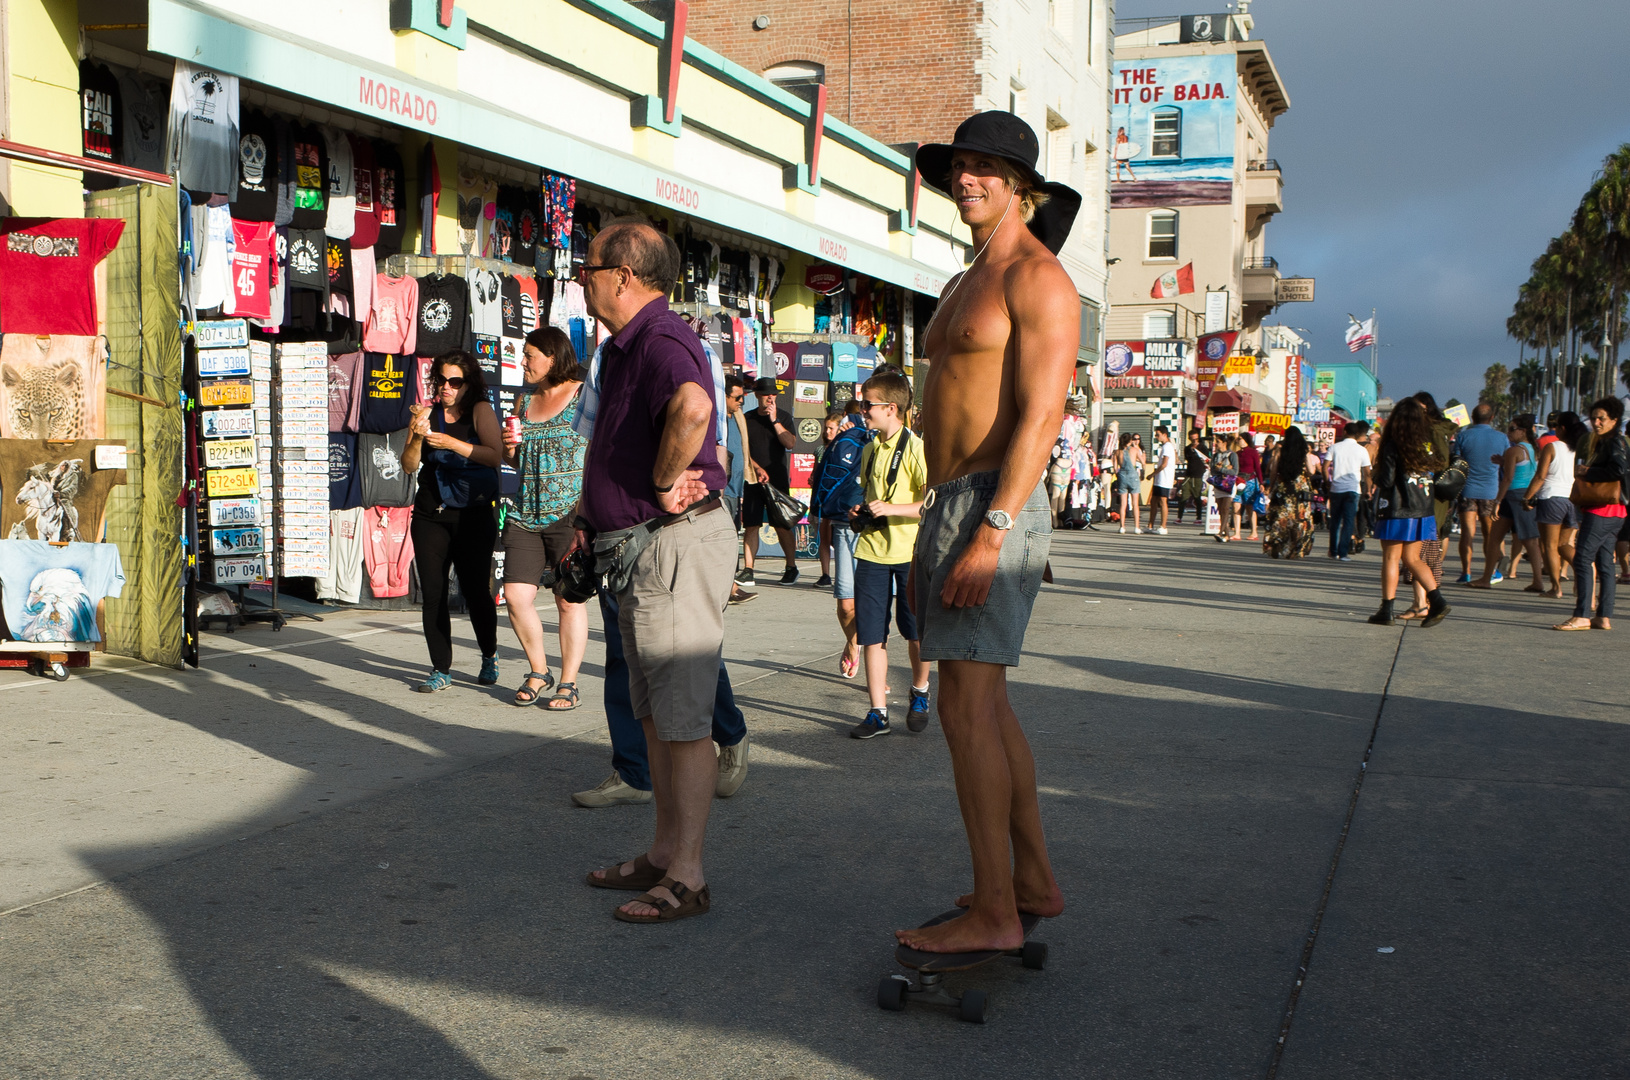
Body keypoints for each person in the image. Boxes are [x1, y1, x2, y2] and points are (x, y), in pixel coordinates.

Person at [904, 110, 1081, 953]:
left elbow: (1042, 417)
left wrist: (993, 531)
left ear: (1022, 186)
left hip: (991, 504)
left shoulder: (1038, 277)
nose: (966, 178)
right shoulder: (965, 276)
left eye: (985, 167)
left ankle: (995, 911)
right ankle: (1033, 882)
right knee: (989, 704)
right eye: (958, 165)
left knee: (965, 708)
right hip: (950, 502)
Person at [573, 219, 734, 924]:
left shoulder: (663, 338)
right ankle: (666, 852)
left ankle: (690, 874)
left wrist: (668, 476)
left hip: (674, 544)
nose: (581, 277)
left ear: (623, 275)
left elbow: (695, 407)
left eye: (589, 267)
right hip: (643, 548)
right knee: (656, 714)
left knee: (682, 716)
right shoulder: (627, 344)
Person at [401, 351, 502, 692]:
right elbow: (408, 465)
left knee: (475, 591)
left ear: (468, 383)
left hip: (473, 512)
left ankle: (489, 653)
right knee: (433, 592)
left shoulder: (480, 410)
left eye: (454, 381)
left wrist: (451, 443)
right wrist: (416, 437)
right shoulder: (426, 412)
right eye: (441, 380)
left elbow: (494, 455)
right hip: (431, 511)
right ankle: (440, 668)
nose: (445, 387)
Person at [500, 327, 589, 709]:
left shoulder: (584, 394)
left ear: (552, 358)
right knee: (516, 596)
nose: (523, 362)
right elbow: (516, 461)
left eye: (529, 355)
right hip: (524, 512)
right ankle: (539, 670)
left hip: (568, 513)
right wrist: (509, 450)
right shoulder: (523, 401)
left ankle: (569, 682)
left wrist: (587, 513)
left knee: (568, 600)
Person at [847, 370, 931, 737]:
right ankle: (877, 711)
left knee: (914, 633)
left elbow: (931, 504)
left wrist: (892, 509)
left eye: (868, 405)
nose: (863, 411)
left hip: (909, 552)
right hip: (871, 551)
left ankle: (920, 690)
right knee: (871, 635)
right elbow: (870, 496)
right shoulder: (869, 449)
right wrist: (861, 510)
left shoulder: (916, 448)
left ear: (891, 408)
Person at [1368, 397, 1450, 627]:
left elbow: (1386, 479)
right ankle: (1437, 600)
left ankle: (1386, 609)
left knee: (1391, 558)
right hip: (1423, 508)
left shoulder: (1394, 443)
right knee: (1413, 558)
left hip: (1398, 507)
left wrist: (1373, 474)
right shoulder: (1426, 443)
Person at [1553, 397, 1627, 631]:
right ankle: (1603, 616)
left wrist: (1589, 471)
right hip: (1616, 511)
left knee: (1583, 558)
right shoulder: (1614, 441)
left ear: (1614, 420)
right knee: (1605, 563)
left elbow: (1617, 469)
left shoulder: (1614, 442)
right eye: (1594, 418)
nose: (1596, 422)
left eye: (1601, 418)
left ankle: (1583, 614)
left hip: (1602, 509)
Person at [811, 399, 870, 678]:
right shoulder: (842, 438)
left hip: (877, 527)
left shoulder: (889, 438)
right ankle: (853, 642)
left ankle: (874, 670)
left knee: (871, 605)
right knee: (846, 604)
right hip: (843, 524)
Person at [1399, 392, 1458, 620]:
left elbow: (1440, 462)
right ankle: (1420, 602)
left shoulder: (1432, 431)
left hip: (1427, 498)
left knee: (1417, 553)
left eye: (1420, 409)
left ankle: (1422, 603)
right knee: (1418, 552)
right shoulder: (1434, 430)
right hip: (1428, 497)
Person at [1470, 414, 1540, 591]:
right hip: (1526, 494)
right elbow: (1522, 468)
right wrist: (1504, 462)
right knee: (1507, 537)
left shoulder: (1513, 450)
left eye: (1512, 429)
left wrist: (1497, 501)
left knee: (1518, 539)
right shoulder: (1532, 449)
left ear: (1522, 431)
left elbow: (1508, 478)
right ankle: (1488, 577)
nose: (1508, 433)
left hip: (1514, 495)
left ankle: (1489, 577)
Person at [739, 376, 798, 586]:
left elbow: (790, 443)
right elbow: (743, 450)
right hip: (753, 479)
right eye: (765, 395)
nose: (770, 398)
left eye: (773, 394)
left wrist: (775, 421)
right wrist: (756, 468)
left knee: (781, 525)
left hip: (777, 480)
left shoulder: (784, 417)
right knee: (752, 525)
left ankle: (791, 566)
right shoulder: (747, 419)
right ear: (757, 396)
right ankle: (748, 569)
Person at [1523, 411, 1580, 599]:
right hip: (1571, 499)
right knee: (1564, 544)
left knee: (1549, 546)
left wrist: (1528, 497)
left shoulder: (1552, 447)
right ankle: (1582, 572)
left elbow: (1540, 476)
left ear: (1561, 428)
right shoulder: (1578, 448)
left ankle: (1556, 587)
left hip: (1551, 498)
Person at [1452, 403, 1510, 583]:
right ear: (1491, 418)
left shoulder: (1462, 436)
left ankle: (1466, 572)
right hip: (1491, 491)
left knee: (1467, 533)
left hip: (1467, 489)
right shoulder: (1502, 438)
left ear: (1472, 417)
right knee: (1490, 535)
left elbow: (1456, 462)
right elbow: (1506, 465)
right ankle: (1491, 571)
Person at [721, 375, 757, 605]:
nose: (741, 401)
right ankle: (730, 589)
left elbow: (742, 449)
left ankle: (728, 586)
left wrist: (754, 468)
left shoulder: (738, 417)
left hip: (735, 490)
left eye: (743, 397)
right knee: (723, 542)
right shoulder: (715, 419)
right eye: (736, 397)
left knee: (731, 539)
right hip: (719, 491)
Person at [1263, 426, 1317, 559]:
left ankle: (1276, 542)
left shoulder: (1280, 453)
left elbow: (1273, 471)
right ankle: (1296, 548)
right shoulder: (1304, 453)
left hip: (1283, 488)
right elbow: (1311, 471)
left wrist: (1270, 487)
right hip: (1300, 491)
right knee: (1299, 520)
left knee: (1281, 517)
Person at [810, 406, 847, 588]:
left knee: (839, 539)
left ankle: (843, 574)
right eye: (826, 428)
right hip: (822, 499)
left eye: (831, 428)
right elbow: (814, 473)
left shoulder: (844, 447)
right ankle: (825, 574)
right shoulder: (820, 449)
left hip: (839, 501)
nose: (828, 431)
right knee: (824, 537)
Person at [1325, 421, 1371, 561]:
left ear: (1344, 432)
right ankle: (1343, 553)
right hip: (1353, 489)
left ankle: (1333, 552)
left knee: (1335, 521)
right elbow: (1367, 472)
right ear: (1356, 434)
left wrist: (1328, 481)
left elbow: (1325, 466)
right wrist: (1368, 489)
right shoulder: (1362, 450)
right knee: (1349, 521)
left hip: (1336, 488)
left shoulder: (1334, 447)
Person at [1175, 429, 1209, 525]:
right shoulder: (1187, 448)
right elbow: (1187, 458)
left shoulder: (1203, 447)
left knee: (1197, 497)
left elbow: (1206, 459)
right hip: (1189, 474)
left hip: (1198, 475)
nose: (1194, 440)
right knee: (1183, 497)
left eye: (1195, 438)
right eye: (1192, 438)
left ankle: (1198, 518)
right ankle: (1179, 517)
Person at [1209, 435, 1239, 542]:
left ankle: (1220, 531)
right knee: (1221, 510)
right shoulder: (1215, 455)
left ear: (1224, 443)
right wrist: (1221, 469)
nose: (1216, 444)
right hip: (1218, 484)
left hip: (1228, 485)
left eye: (1218, 441)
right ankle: (1226, 535)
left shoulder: (1232, 455)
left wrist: (1222, 469)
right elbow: (1213, 470)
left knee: (1226, 508)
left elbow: (1235, 471)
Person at [1149, 426, 1177, 535]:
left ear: (1164, 435)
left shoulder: (1167, 446)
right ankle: (1150, 525)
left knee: (1163, 500)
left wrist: (1152, 474)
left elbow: (1164, 464)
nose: (1156, 437)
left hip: (1165, 478)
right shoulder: (1164, 446)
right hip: (1159, 479)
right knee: (1154, 500)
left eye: (1158, 435)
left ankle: (1163, 526)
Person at [1115, 431, 1144, 534]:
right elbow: (1143, 462)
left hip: (1122, 476)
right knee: (1135, 504)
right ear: (1130, 440)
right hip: (1133, 476)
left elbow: (1115, 468)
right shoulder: (1135, 450)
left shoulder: (1117, 452)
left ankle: (1122, 526)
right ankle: (1136, 527)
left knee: (1123, 504)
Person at [1236, 433, 1263, 540]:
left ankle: (1254, 532)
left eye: (1240, 439)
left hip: (1251, 481)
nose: (1239, 441)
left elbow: (1257, 468)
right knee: (1236, 505)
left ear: (1246, 440)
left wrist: (1261, 483)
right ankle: (1237, 532)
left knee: (1249, 507)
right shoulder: (1237, 453)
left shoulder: (1253, 452)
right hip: (1238, 481)